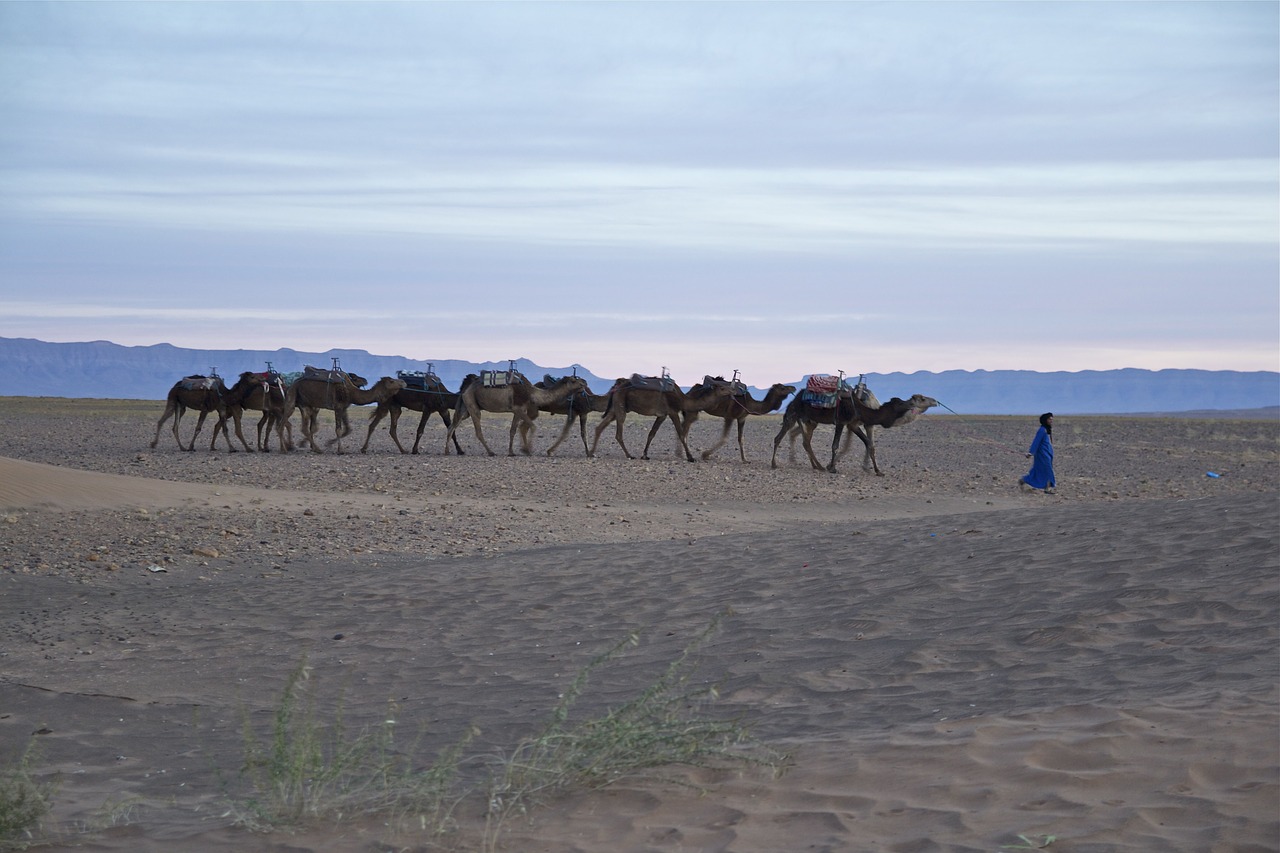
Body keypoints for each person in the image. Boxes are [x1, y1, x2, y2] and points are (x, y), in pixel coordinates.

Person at [1020, 412, 1056, 493]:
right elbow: (1036, 442)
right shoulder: (1042, 430)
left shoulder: (1047, 430)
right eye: (1050, 419)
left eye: (1052, 419)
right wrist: (1031, 452)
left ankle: (1023, 480)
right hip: (1042, 455)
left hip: (1048, 454)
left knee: (1039, 470)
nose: (1051, 421)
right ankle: (1048, 488)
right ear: (1045, 420)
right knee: (1048, 470)